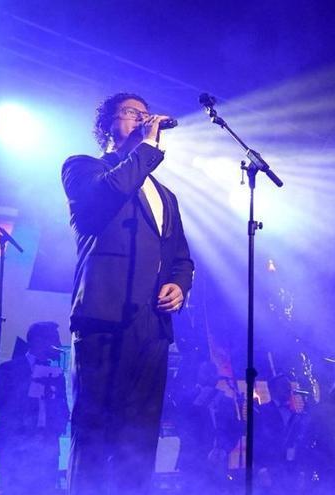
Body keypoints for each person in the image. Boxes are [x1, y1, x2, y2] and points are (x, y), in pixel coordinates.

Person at [61, 92, 194, 494]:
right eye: (130, 113)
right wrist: (147, 148)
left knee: (139, 436)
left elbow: (182, 259)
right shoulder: (83, 167)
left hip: (151, 327)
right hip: (102, 316)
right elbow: (102, 199)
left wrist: (179, 285)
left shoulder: (166, 196)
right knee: (95, 427)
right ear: (107, 125)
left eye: (144, 113)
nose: (141, 119)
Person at [0, 321, 70, 494]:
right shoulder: (8, 369)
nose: (57, 345)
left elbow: (63, 407)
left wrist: (56, 429)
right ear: (38, 340)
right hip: (15, 446)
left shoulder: (57, 374)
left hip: (46, 447)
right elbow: (1, 404)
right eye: (54, 339)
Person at [175, 361, 241, 493]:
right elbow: (181, 425)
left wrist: (224, 449)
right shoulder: (187, 397)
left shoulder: (225, 400)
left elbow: (235, 429)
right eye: (206, 372)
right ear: (198, 374)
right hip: (193, 461)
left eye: (213, 372)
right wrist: (199, 400)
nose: (209, 376)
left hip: (218, 460)